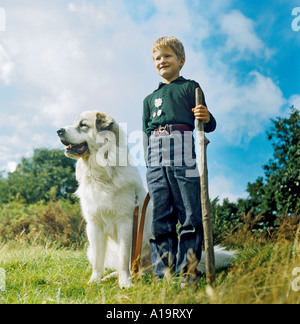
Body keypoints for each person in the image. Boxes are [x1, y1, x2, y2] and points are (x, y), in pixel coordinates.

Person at [142, 36, 216, 283]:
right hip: (154, 155)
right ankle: (162, 274)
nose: (162, 61)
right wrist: (148, 162)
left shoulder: (191, 88)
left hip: (183, 146)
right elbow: (145, 132)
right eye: (157, 58)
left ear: (181, 60)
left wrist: (206, 116)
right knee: (160, 216)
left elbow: (208, 123)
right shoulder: (148, 100)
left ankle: (189, 272)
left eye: (167, 56)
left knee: (189, 213)